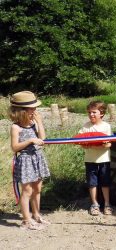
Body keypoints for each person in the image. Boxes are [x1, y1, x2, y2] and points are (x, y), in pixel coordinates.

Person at [9, 91, 51, 230]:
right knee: (26, 190)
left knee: (37, 189)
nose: (35, 111)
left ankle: (36, 215)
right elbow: (14, 147)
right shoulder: (16, 127)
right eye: (32, 109)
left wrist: (39, 122)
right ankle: (26, 220)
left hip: (37, 158)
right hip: (26, 160)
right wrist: (30, 140)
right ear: (22, 111)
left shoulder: (33, 123)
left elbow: (42, 138)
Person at [79, 101, 113, 216]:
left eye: (94, 112)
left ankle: (107, 204)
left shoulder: (106, 126)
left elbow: (108, 144)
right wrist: (89, 144)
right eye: (89, 112)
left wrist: (97, 144)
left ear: (101, 113)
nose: (91, 114)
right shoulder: (85, 126)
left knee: (105, 182)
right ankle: (94, 204)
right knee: (92, 183)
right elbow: (81, 142)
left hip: (104, 160)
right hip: (90, 160)